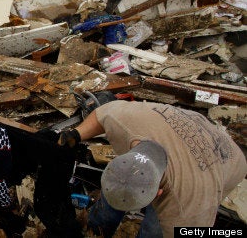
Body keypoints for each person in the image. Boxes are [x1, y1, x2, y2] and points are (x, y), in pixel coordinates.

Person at [58, 100, 247, 238]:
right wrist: (75, 134)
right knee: (118, 191)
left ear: (159, 192)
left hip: (226, 158)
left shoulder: (186, 207)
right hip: (187, 124)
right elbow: (102, 114)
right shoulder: (127, 122)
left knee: (154, 230)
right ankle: (96, 229)